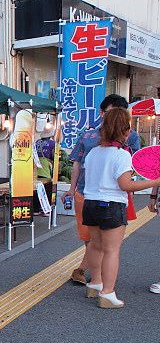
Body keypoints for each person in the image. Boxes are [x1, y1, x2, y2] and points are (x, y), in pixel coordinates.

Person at [81, 107, 160, 308]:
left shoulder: (93, 153)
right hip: (111, 205)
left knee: (95, 246)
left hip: (90, 204)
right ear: (126, 130)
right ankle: (107, 293)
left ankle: (95, 283)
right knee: (111, 250)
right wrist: (155, 181)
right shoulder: (122, 155)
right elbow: (126, 185)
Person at [63, 94, 140, 285]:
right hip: (94, 195)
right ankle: (104, 288)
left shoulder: (128, 138)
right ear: (101, 113)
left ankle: (92, 279)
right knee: (104, 245)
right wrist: (71, 190)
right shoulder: (90, 137)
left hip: (100, 196)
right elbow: (77, 165)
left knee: (99, 243)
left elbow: (136, 165)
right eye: (109, 112)